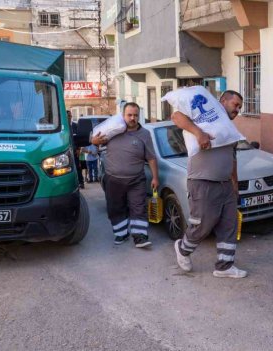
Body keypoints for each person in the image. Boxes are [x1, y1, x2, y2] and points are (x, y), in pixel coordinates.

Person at [171, 90, 246, 279]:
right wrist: (199, 133)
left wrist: (235, 184)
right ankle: (183, 248)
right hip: (202, 181)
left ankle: (224, 266)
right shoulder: (203, 119)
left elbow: (232, 158)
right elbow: (176, 116)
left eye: (239, 107)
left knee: (229, 225)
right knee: (203, 225)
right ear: (222, 101)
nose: (237, 109)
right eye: (235, 104)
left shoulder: (228, 130)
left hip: (225, 185)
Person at [91, 103, 159, 248]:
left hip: (136, 180)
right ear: (123, 116)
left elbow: (151, 157)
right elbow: (95, 141)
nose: (132, 118)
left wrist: (155, 177)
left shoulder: (145, 134)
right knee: (115, 208)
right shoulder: (112, 131)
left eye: (135, 115)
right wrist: (94, 141)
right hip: (113, 179)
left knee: (138, 207)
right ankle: (121, 234)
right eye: (129, 115)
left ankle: (140, 237)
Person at [67, 110, 84, 189]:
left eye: (70, 116)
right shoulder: (63, 127)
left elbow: (79, 139)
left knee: (78, 167)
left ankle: (81, 182)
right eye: (68, 116)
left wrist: (78, 149)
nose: (69, 117)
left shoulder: (75, 125)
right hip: (66, 152)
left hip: (75, 151)